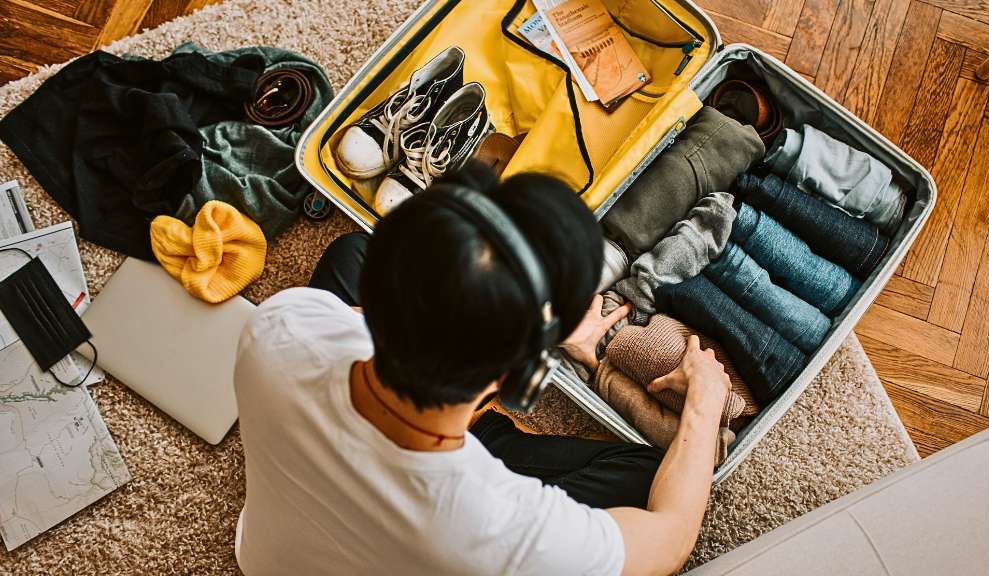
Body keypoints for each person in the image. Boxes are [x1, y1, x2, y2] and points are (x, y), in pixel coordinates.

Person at [233, 162, 732, 575]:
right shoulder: (509, 531)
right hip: (449, 521)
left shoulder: (283, 323)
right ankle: (485, 424)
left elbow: (365, 319)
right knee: (656, 479)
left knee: (348, 253)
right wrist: (704, 402)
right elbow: (671, 540)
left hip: (266, 560)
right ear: (520, 380)